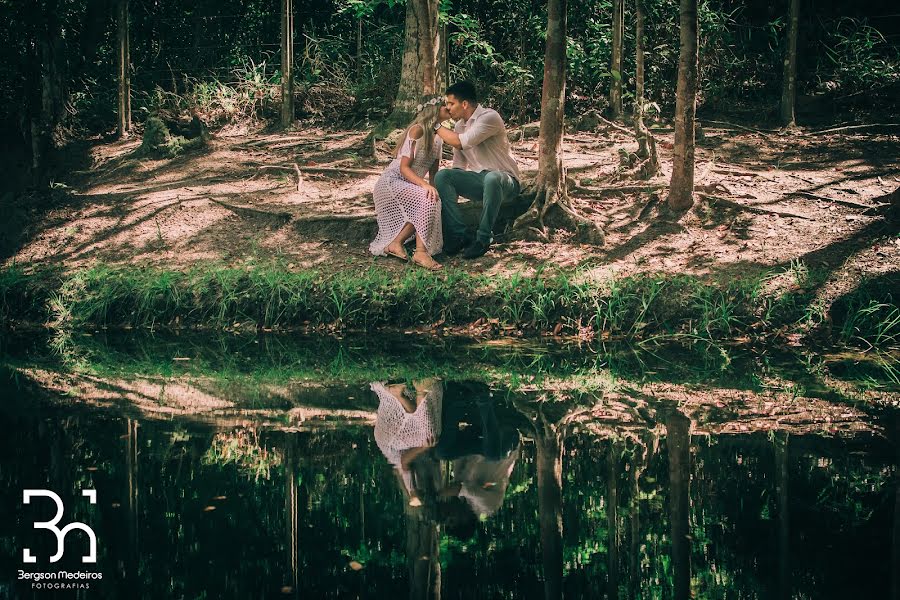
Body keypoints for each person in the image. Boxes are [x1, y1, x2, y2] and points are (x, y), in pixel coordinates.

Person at [433, 81, 521, 259]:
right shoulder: (459, 127)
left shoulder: (489, 117)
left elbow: (461, 142)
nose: (448, 108)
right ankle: (460, 234)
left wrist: (435, 124)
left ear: (464, 104)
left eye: (451, 104)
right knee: (443, 176)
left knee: (492, 178)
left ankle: (483, 238)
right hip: (480, 181)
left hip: (506, 182)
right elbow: (458, 165)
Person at [369, 96, 451, 271]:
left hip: (411, 183)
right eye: (446, 105)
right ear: (434, 109)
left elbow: (434, 172)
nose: (450, 108)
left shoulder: (439, 138)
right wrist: (424, 186)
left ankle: (396, 243)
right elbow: (404, 167)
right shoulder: (417, 130)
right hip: (393, 180)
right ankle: (420, 252)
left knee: (431, 198)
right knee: (426, 196)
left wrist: (433, 189)